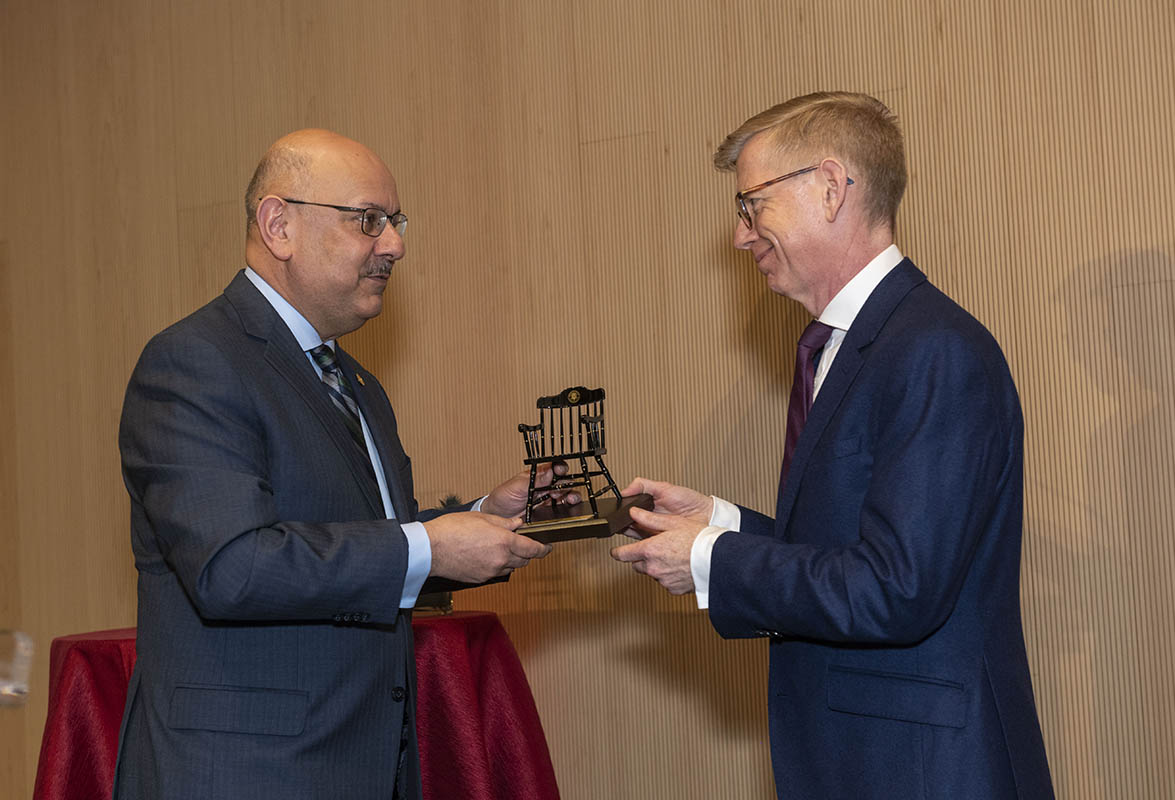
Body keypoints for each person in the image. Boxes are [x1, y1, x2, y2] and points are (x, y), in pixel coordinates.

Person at [611, 93, 1055, 798]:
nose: (740, 236)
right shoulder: (850, 346)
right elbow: (855, 552)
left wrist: (710, 559)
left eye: (750, 206)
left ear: (828, 186)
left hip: (923, 771)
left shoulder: (934, 350)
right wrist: (723, 525)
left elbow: (896, 590)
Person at [113, 129, 553, 800]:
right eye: (368, 221)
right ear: (278, 224)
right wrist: (429, 546)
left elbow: (360, 540)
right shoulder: (195, 363)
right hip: (247, 777)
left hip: (364, 764)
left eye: (397, 223)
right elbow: (234, 567)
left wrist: (477, 520)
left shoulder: (356, 383)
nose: (396, 245)